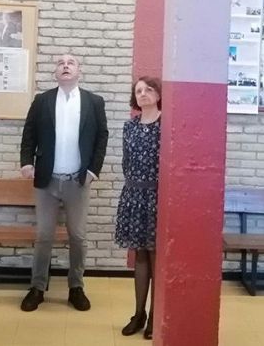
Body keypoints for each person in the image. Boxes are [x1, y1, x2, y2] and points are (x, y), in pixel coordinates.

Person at [19, 53, 108, 312]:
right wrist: (26, 162)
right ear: (55, 72)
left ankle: (76, 287)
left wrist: (93, 171)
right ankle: (37, 287)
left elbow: (102, 137)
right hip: (47, 180)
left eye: (71, 63)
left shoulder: (93, 102)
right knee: (44, 236)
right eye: (60, 63)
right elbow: (29, 133)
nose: (65, 66)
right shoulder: (42, 100)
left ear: (79, 71)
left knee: (78, 236)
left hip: (78, 181)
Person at [115, 76, 162, 339]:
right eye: (139, 90)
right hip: (134, 194)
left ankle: (156, 314)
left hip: (157, 196)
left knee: (156, 257)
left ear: (158, 94)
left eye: (149, 89)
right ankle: (138, 313)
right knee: (140, 256)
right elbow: (126, 161)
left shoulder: (166, 124)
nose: (143, 94)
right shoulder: (130, 126)